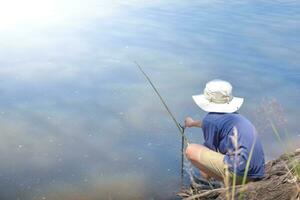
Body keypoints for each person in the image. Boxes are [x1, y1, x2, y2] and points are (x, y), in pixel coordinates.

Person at [184, 79, 265, 184]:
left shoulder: (210, 120)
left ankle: (208, 185)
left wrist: (206, 175)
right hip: (257, 172)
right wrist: (192, 123)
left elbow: (208, 151)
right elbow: (212, 124)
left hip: (239, 173)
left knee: (191, 150)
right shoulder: (235, 117)